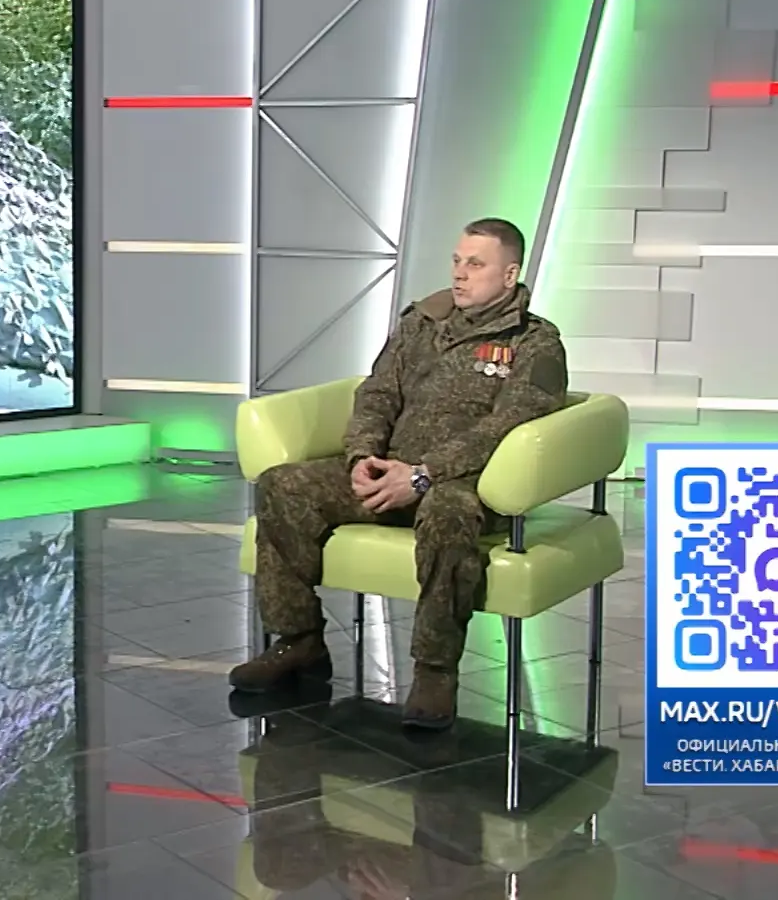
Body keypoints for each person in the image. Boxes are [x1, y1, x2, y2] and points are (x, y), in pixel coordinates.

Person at [228, 218, 569, 730]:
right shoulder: (421, 323)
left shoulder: (536, 343)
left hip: (465, 484)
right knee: (282, 484)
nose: (459, 273)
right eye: (457, 260)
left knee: (448, 511)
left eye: (475, 264)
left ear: (509, 274)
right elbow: (378, 393)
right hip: (389, 471)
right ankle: (298, 640)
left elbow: (508, 426)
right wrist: (361, 457)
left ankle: (435, 671)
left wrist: (425, 474)